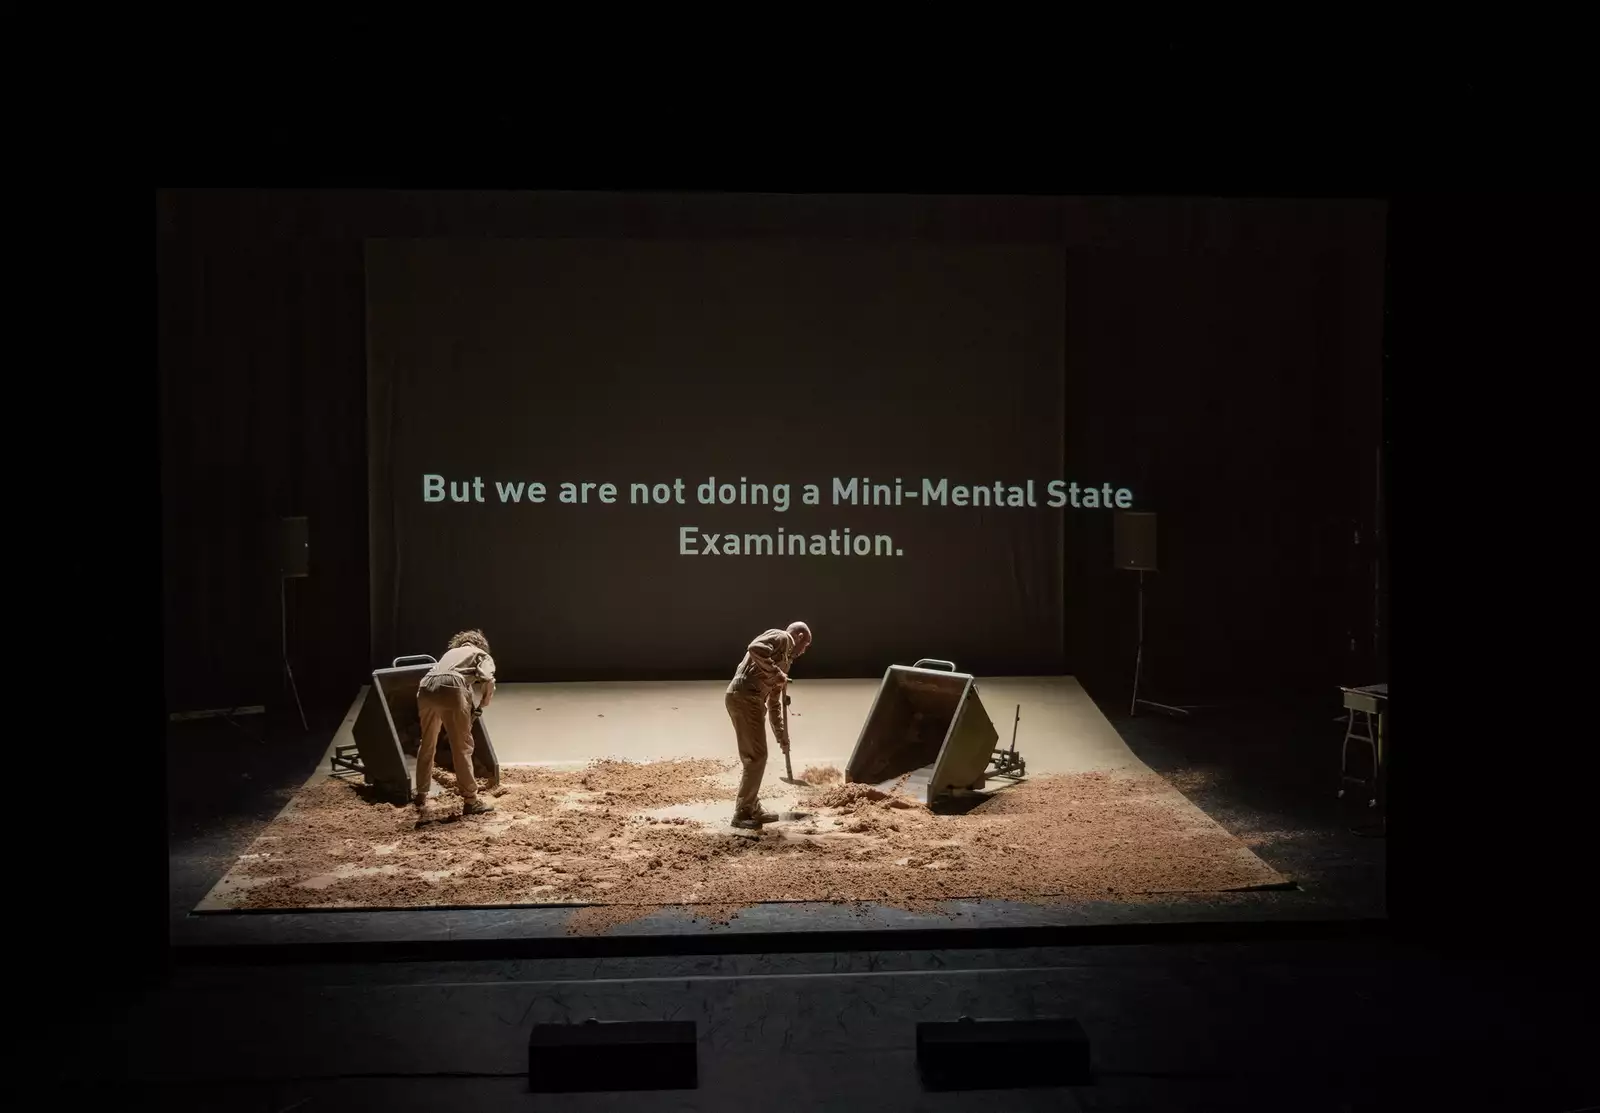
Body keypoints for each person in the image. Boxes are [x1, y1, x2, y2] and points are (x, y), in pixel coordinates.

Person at [725, 621, 811, 828]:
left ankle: (752, 807)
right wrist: (777, 674)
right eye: (806, 645)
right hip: (744, 695)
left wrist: (781, 736)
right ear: (799, 636)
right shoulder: (781, 637)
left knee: (757, 755)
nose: (804, 651)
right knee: (756, 757)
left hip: (753, 701)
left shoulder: (785, 661)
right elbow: (755, 648)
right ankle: (743, 813)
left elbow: (774, 703)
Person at [415, 629, 498, 815]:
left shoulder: (450, 654)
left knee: (427, 742)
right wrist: (483, 703)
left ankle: (421, 792)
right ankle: (471, 800)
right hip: (451, 685)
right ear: (481, 644)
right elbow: (488, 679)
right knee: (462, 746)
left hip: (426, 684)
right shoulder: (481, 654)